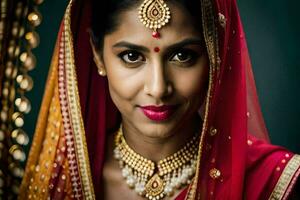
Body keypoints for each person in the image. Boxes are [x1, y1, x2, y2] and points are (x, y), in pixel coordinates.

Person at [19, 0, 300, 199]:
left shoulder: (273, 182)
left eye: (182, 56)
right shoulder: (63, 179)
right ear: (97, 54)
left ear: (216, 54)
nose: (158, 88)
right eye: (131, 56)